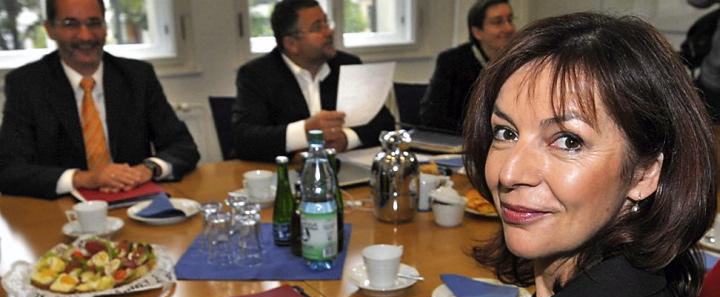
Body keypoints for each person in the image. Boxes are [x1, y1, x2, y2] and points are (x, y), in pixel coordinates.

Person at [298, 12, 715, 297]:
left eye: (568, 141)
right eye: (506, 132)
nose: (509, 173)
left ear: (644, 174)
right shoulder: (624, 283)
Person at [0, 0, 200, 200]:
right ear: (50, 29)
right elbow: (9, 170)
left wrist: (147, 169)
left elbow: (183, 147)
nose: (85, 36)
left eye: (94, 23)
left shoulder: (138, 76)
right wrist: (84, 179)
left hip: (135, 202)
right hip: (61, 208)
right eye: (71, 24)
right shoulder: (26, 84)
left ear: (105, 27)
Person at [231, 0, 394, 162]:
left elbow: (385, 123)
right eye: (317, 28)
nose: (329, 31)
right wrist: (305, 132)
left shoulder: (347, 65)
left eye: (326, 23)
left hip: (343, 169)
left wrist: (346, 139)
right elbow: (244, 139)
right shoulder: (257, 75)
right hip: (284, 173)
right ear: (291, 44)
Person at [418, 0, 515, 133]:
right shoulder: (452, 61)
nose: (509, 28)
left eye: (510, 20)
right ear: (477, 32)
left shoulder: (519, 60)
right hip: (461, 138)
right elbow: (432, 117)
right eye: (498, 22)